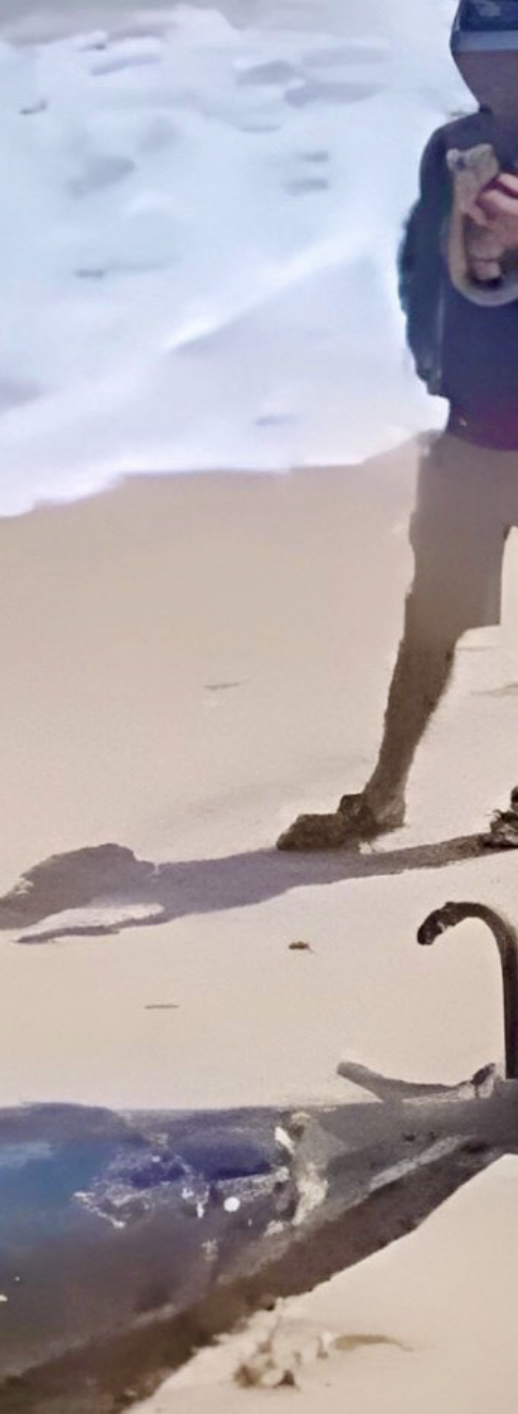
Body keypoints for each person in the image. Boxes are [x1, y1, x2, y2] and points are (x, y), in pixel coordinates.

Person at [281, 1, 518, 853]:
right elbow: (419, 262)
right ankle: (383, 796)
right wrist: (428, 354)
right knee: (433, 618)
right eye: (477, 61)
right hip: (475, 427)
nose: (493, 78)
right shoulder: (450, 149)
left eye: (510, 60)